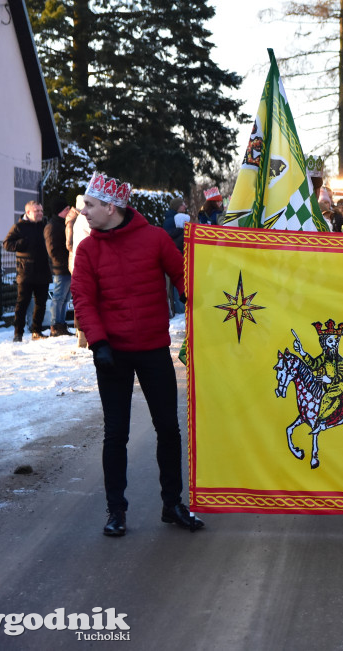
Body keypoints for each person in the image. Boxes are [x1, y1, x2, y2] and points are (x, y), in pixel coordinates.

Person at [71, 171, 205, 537]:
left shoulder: (155, 239)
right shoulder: (87, 249)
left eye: (90, 205)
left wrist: (193, 296)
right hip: (111, 353)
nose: (84, 211)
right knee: (116, 434)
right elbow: (82, 298)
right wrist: (98, 343)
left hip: (152, 349)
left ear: (111, 208)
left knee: (168, 429)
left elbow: (183, 275)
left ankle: (172, 504)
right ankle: (116, 510)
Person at [4, 200, 52, 342]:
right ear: (28, 212)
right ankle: (18, 333)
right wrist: (22, 243)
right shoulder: (19, 227)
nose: (40, 214)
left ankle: (36, 331)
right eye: (37, 211)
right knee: (22, 303)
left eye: (41, 211)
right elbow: (7, 244)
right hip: (26, 271)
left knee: (41, 303)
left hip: (43, 270)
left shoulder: (44, 226)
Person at [43, 198, 74, 337]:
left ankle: (60, 324)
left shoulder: (62, 224)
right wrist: (64, 262)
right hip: (61, 268)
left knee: (65, 298)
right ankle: (56, 325)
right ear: (60, 211)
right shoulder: (53, 226)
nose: (68, 211)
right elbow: (53, 250)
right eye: (66, 209)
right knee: (59, 297)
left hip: (66, 267)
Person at [66, 196, 92, 347]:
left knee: (82, 301)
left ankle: (82, 336)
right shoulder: (85, 219)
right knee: (86, 302)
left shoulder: (77, 220)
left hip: (77, 263)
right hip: (84, 264)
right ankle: (84, 337)